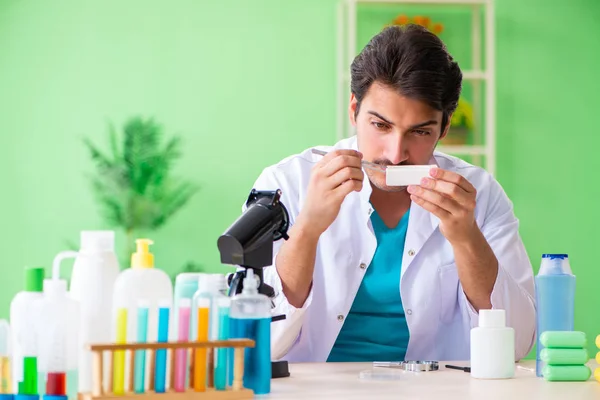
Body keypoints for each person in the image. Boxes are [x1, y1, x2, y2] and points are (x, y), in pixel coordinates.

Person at [245, 24, 535, 362]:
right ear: (354, 110)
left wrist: (467, 238)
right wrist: (307, 229)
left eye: (420, 132)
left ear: (445, 126)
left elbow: (515, 345)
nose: (396, 154)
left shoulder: (479, 195)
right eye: (380, 125)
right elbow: (256, 340)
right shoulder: (285, 183)